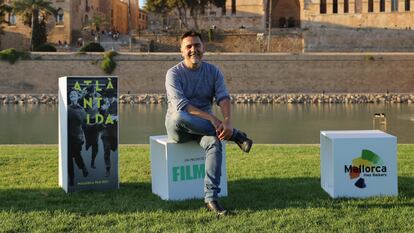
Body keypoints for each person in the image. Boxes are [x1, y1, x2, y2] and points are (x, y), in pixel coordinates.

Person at [165, 30, 253, 216]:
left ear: (203, 48)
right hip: (178, 128)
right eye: (188, 46)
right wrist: (214, 119)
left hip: (203, 130)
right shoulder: (173, 74)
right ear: (181, 51)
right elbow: (182, 106)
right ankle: (236, 136)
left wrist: (227, 121)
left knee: (214, 142)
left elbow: (223, 97)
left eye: (197, 45)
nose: (193, 50)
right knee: (180, 115)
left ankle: (211, 198)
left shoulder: (213, 71)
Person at [67, 90, 89, 186]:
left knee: (76, 155)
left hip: (77, 137)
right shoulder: (66, 108)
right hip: (68, 136)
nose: (72, 95)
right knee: (69, 158)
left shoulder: (81, 109)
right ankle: (71, 178)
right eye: (70, 94)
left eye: (74, 94)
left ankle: (83, 167)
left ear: (78, 97)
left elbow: (84, 124)